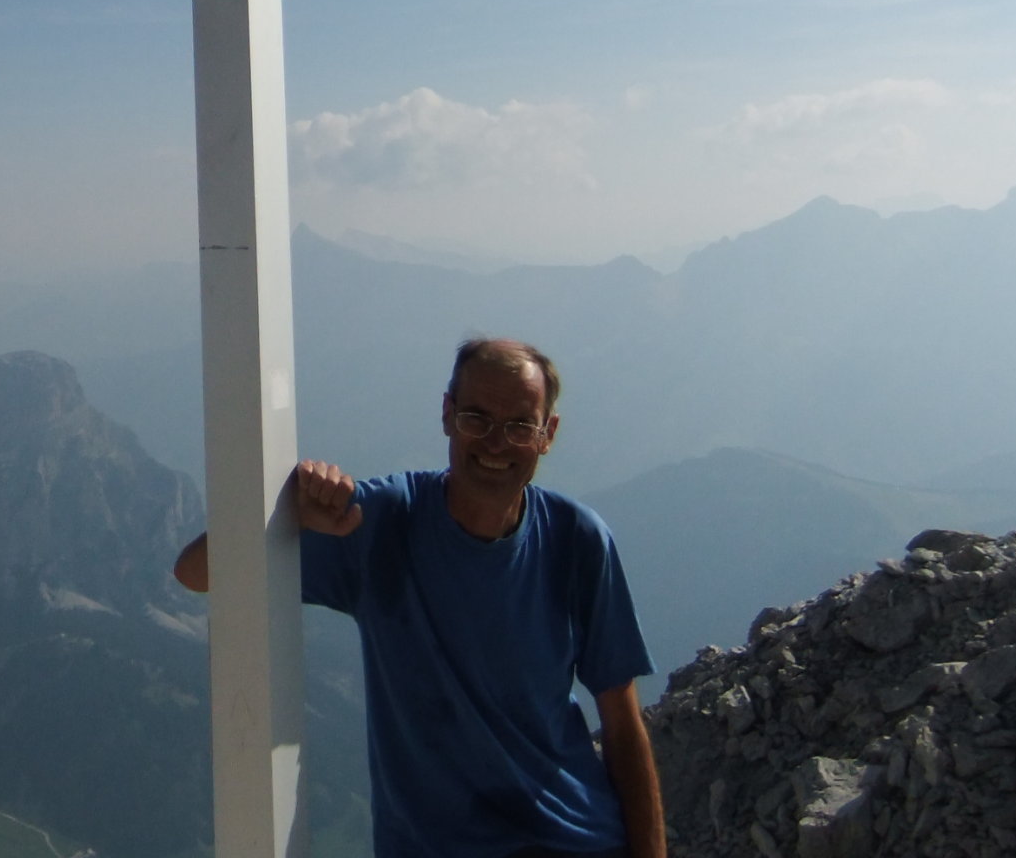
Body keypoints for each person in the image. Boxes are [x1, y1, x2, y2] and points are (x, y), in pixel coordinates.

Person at [172, 337, 665, 858]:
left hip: (578, 840)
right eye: (477, 418)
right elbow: (197, 573)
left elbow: (622, 722)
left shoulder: (578, 539)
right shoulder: (380, 522)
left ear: (548, 434)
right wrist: (285, 512)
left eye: (520, 425)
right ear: (447, 414)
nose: (496, 443)